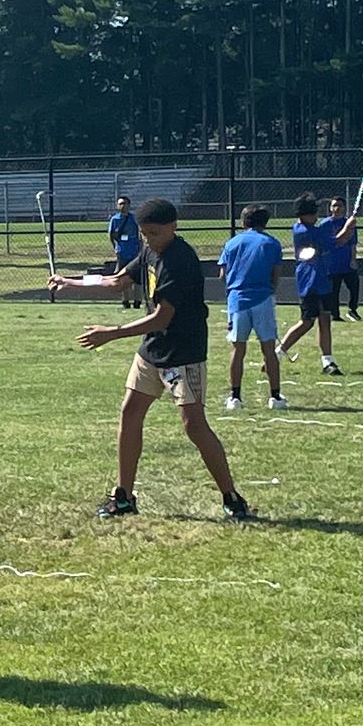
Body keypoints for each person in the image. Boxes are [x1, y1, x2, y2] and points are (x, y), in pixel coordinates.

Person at [48, 196, 256, 522]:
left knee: (195, 426)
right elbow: (118, 281)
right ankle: (124, 497)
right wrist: (72, 282)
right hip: (151, 352)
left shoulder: (180, 261)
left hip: (182, 355)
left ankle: (232, 498)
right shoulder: (149, 251)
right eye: (145, 234)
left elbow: (162, 318)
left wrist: (111, 333)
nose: (149, 240)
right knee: (129, 415)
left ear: (173, 227)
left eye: (155, 234)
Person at [217, 203, 287, 412]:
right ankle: (275, 397)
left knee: (238, 349)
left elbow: (223, 275)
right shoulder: (271, 243)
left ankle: (235, 397)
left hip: (238, 300)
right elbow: (275, 275)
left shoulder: (232, 243)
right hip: (263, 299)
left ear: (243, 221)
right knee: (268, 349)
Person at [278, 193, 353, 376]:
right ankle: (277, 354)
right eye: (313, 213)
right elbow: (334, 242)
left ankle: (328, 361)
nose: (316, 216)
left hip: (322, 280)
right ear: (303, 215)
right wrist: (347, 228)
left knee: (325, 320)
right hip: (310, 281)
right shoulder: (304, 231)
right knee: (306, 322)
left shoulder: (311, 228)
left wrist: (346, 230)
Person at [327, 196, 363, 320]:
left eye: (339, 206)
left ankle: (352, 310)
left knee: (354, 287)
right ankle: (334, 315)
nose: (336, 208)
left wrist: (353, 259)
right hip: (332, 264)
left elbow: (353, 243)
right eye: (334, 206)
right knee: (333, 291)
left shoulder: (350, 223)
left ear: (344, 208)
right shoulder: (325, 224)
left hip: (347, 263)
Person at [107, 195, 142, 309]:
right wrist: (115, 248)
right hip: (122, 253)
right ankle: (125, 300)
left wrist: (140, 249)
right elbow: (111, 235)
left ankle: (137, 301)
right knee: (123, 278)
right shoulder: (115, 219)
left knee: (137, 279)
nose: (123, 206)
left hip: (135, 252)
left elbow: (140, 234)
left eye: (125, 204)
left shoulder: (134, 219)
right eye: (120, 204)